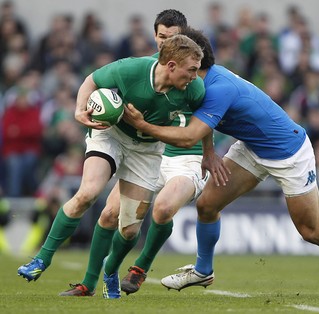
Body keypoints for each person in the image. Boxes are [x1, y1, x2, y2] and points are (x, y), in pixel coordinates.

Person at [124, 27, 319, 299]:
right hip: (252, 147)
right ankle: (203, 270)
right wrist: (209, 153)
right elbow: (200, 118)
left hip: (288, 153)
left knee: (311, 230)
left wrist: (142, 125)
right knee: (208, 205)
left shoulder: (218, 88)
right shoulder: (197, 83)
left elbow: (189, 137)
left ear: (196, 62)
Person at [17, 32, 206, 291]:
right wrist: (79, 110)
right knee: (88, 193)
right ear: (171, 66)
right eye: (192, 70)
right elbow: (90, 81)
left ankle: (110, 274)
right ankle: (42, 258)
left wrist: (209, 154)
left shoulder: (194, 90)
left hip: (147, 151)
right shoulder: (130, 69)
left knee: (128, 230)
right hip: (111, 135)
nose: (195, 76)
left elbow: (204, 125)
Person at [58, 9, 216, 299]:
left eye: (171, 37)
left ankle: (140, 267)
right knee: (109, 214)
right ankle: (89, 283)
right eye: (160, 36)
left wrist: (209, 153)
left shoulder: (199, 64)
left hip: (186, 155)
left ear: (185, 35)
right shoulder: (144, 69)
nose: (163, 41)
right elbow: (99, 84)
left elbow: (206, 120)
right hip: (151, 152)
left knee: (164, 208)